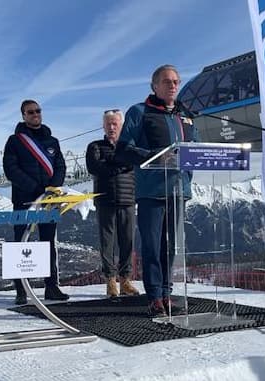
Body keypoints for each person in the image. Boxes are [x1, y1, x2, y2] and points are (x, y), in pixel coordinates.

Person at [114, 64, 198, 317]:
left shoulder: (187, 116)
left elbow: (194, 150)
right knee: (152, 245)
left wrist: (188, 175)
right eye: (166, 81)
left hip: (178, 191)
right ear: (154, 86)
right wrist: (152, 157)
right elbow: (123, 149)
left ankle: (166, 293)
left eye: (176, 81)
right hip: (152, 191)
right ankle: (154, 296)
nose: (172, 85)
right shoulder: (140, 112)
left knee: (170, 246)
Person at [3, 99, 69, 304]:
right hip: (24, 200)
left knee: (49, 242)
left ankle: (51, 286)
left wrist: (52, 187)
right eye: (30, 112)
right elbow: (11, 169)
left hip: (49, 200)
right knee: (21, 243)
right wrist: (35, 188)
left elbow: (60, 166)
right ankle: (21, 290)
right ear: (23, 115)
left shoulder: (53, 141)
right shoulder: (15, 141)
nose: (35, 114)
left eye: (37, 111)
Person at [85, 109, 139, 298]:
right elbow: (94, 167)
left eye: (115, 123)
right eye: (108, 123)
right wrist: (119, 165)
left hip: (128, 199)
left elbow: (134, 164)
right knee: (107, 242)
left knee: (127, 242)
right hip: (105, 199)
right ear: (103, 125)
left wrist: (111, 164)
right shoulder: (95, 146)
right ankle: (110, 281)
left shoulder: (131, 146)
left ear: (121, 126)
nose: (111, 127)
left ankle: (125, 280)